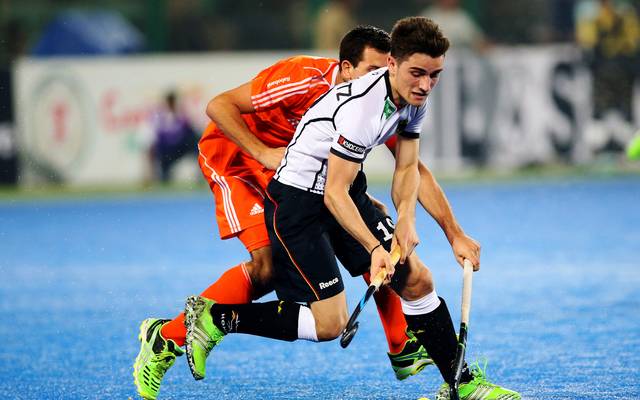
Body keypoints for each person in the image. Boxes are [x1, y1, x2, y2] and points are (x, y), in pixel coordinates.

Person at [183, 17, 520, 400]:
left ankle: (460, 384)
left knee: (417, 281)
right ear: (392, 63)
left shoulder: (413, 97)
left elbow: (407, 168)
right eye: (417, 74)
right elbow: (333, 195)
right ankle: (217, 317)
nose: (426, 85)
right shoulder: (364, 108)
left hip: (344, 190)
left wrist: (431, 227)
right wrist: (375, 248)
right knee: (330, 323)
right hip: (299, 202)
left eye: (434, 75)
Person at [133, 26, 433, 400]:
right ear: (346, 68)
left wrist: (446, 228)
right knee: (266, 267)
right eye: (373, 70)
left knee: (369, 231)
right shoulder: (302, 77)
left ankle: (402, 345)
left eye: (385, 70)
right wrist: (261, 152)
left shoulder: (376, 99)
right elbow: (219, 106)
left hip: (296, 176)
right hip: (238, 160)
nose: (381, 79)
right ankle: (166, 337)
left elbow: (410, 166)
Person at [148, 91, 198, 183]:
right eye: (170, 102)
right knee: (153, 151)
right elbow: (156, 133)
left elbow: (190, 129)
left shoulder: (181, 114)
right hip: (165, 148)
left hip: (180, 146)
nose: (172, 104)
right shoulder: (160, 116)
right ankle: (153, 178)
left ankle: (201, 175)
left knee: (197, 142)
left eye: (173, 102)